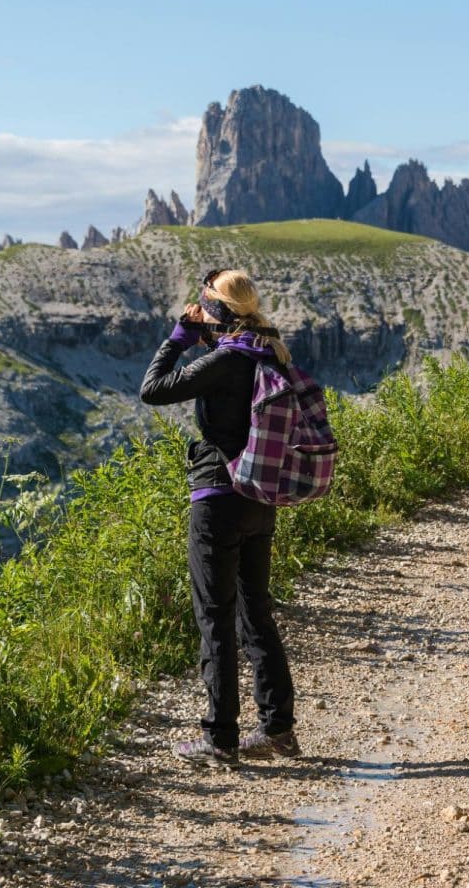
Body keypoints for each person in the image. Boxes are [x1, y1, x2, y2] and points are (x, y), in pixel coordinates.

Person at [139, 268, 300, 768]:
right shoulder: (268, 350)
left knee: (215, 616)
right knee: (256, 612)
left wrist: (179, 338)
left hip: (217, 497)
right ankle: (277, 729)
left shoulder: (226, 358)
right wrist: (208, 329)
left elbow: (154, 389)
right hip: (260, 496)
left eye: (203, 304)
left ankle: (220, 738)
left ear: (217, 312)